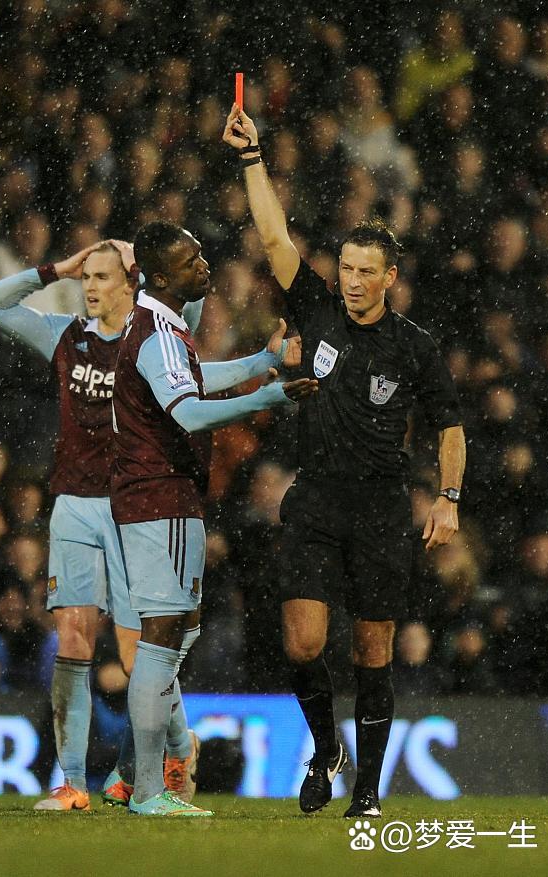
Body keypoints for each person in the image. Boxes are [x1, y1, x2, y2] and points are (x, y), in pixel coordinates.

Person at [224, 104, 465, 819]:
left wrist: (448, 495)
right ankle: (327, 747)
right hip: (317, 500)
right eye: (347, 267)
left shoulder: (414, 346)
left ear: (389, 276)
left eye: (366, 271)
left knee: (373, 646)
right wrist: (251, 159)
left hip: (383, 507)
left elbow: (450, 427)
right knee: (303, 642)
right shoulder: (319, 311)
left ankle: (365, 791)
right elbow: (272, 235)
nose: (353, 279)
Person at [0, 240, 198, 812]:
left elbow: (189, 306)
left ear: (132, 282)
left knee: (135, 654)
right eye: (86, 277)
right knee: (73, 637)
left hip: (131, 506)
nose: (90, 287)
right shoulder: (66, 336)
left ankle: (176, 748)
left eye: (102, 276)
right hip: (73, 504)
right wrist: (55, 269)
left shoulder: (153, 338)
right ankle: (72, 783)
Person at [113, 222, 317, 816]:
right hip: (160, 496)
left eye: (200, 254)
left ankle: (147, 770)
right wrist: (271, 396)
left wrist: (262, 362)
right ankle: (149, 785)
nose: (202, 265)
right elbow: (190, 414)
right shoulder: (154, 330)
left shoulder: (164, 327)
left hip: (164, 495)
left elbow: (194, 383)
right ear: (156, 273)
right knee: (160, 643)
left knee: (178, 634)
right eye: (188, 260)